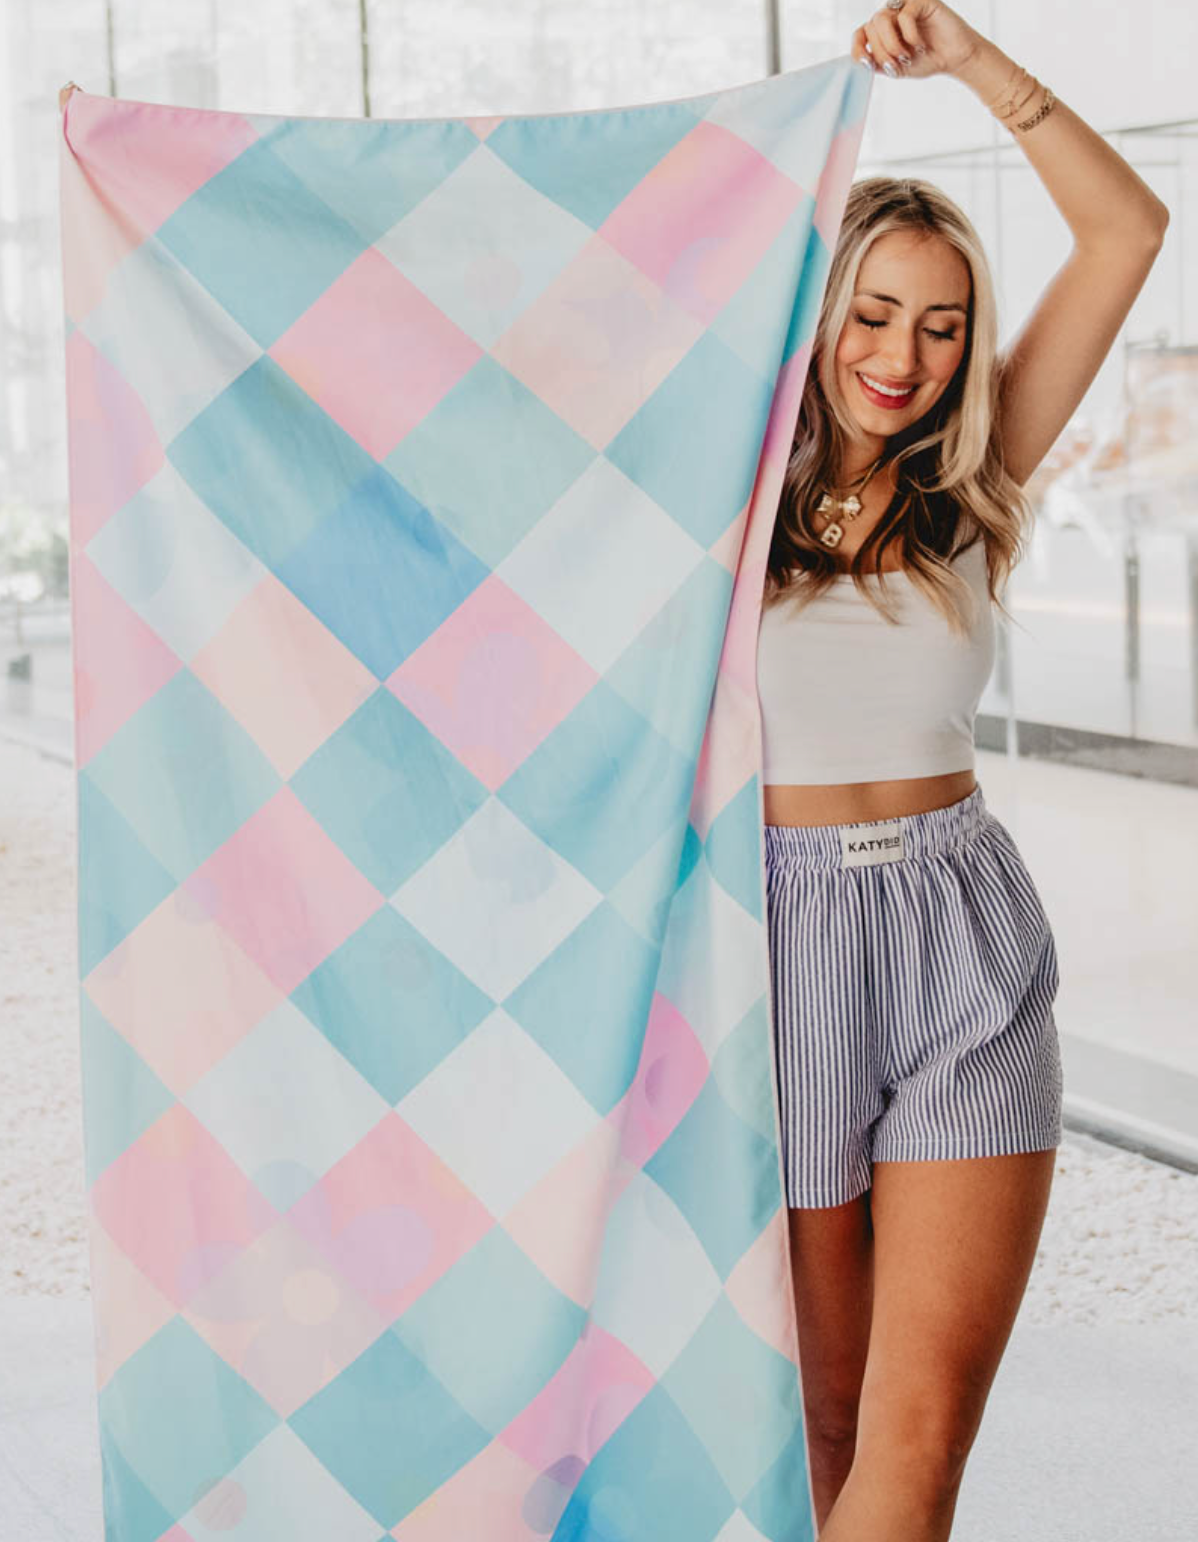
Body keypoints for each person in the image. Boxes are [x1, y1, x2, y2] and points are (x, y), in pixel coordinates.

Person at [755, 3, 1169, 1539]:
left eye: (940, 324)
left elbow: (1127, 231)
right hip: (778, 943)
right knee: (827, 1415)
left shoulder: (974, 477)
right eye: (872, 313)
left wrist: (974, 66)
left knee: (919, 1435)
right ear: (818, 312)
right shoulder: (721, 492)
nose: (903, 357)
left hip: (960, 935)